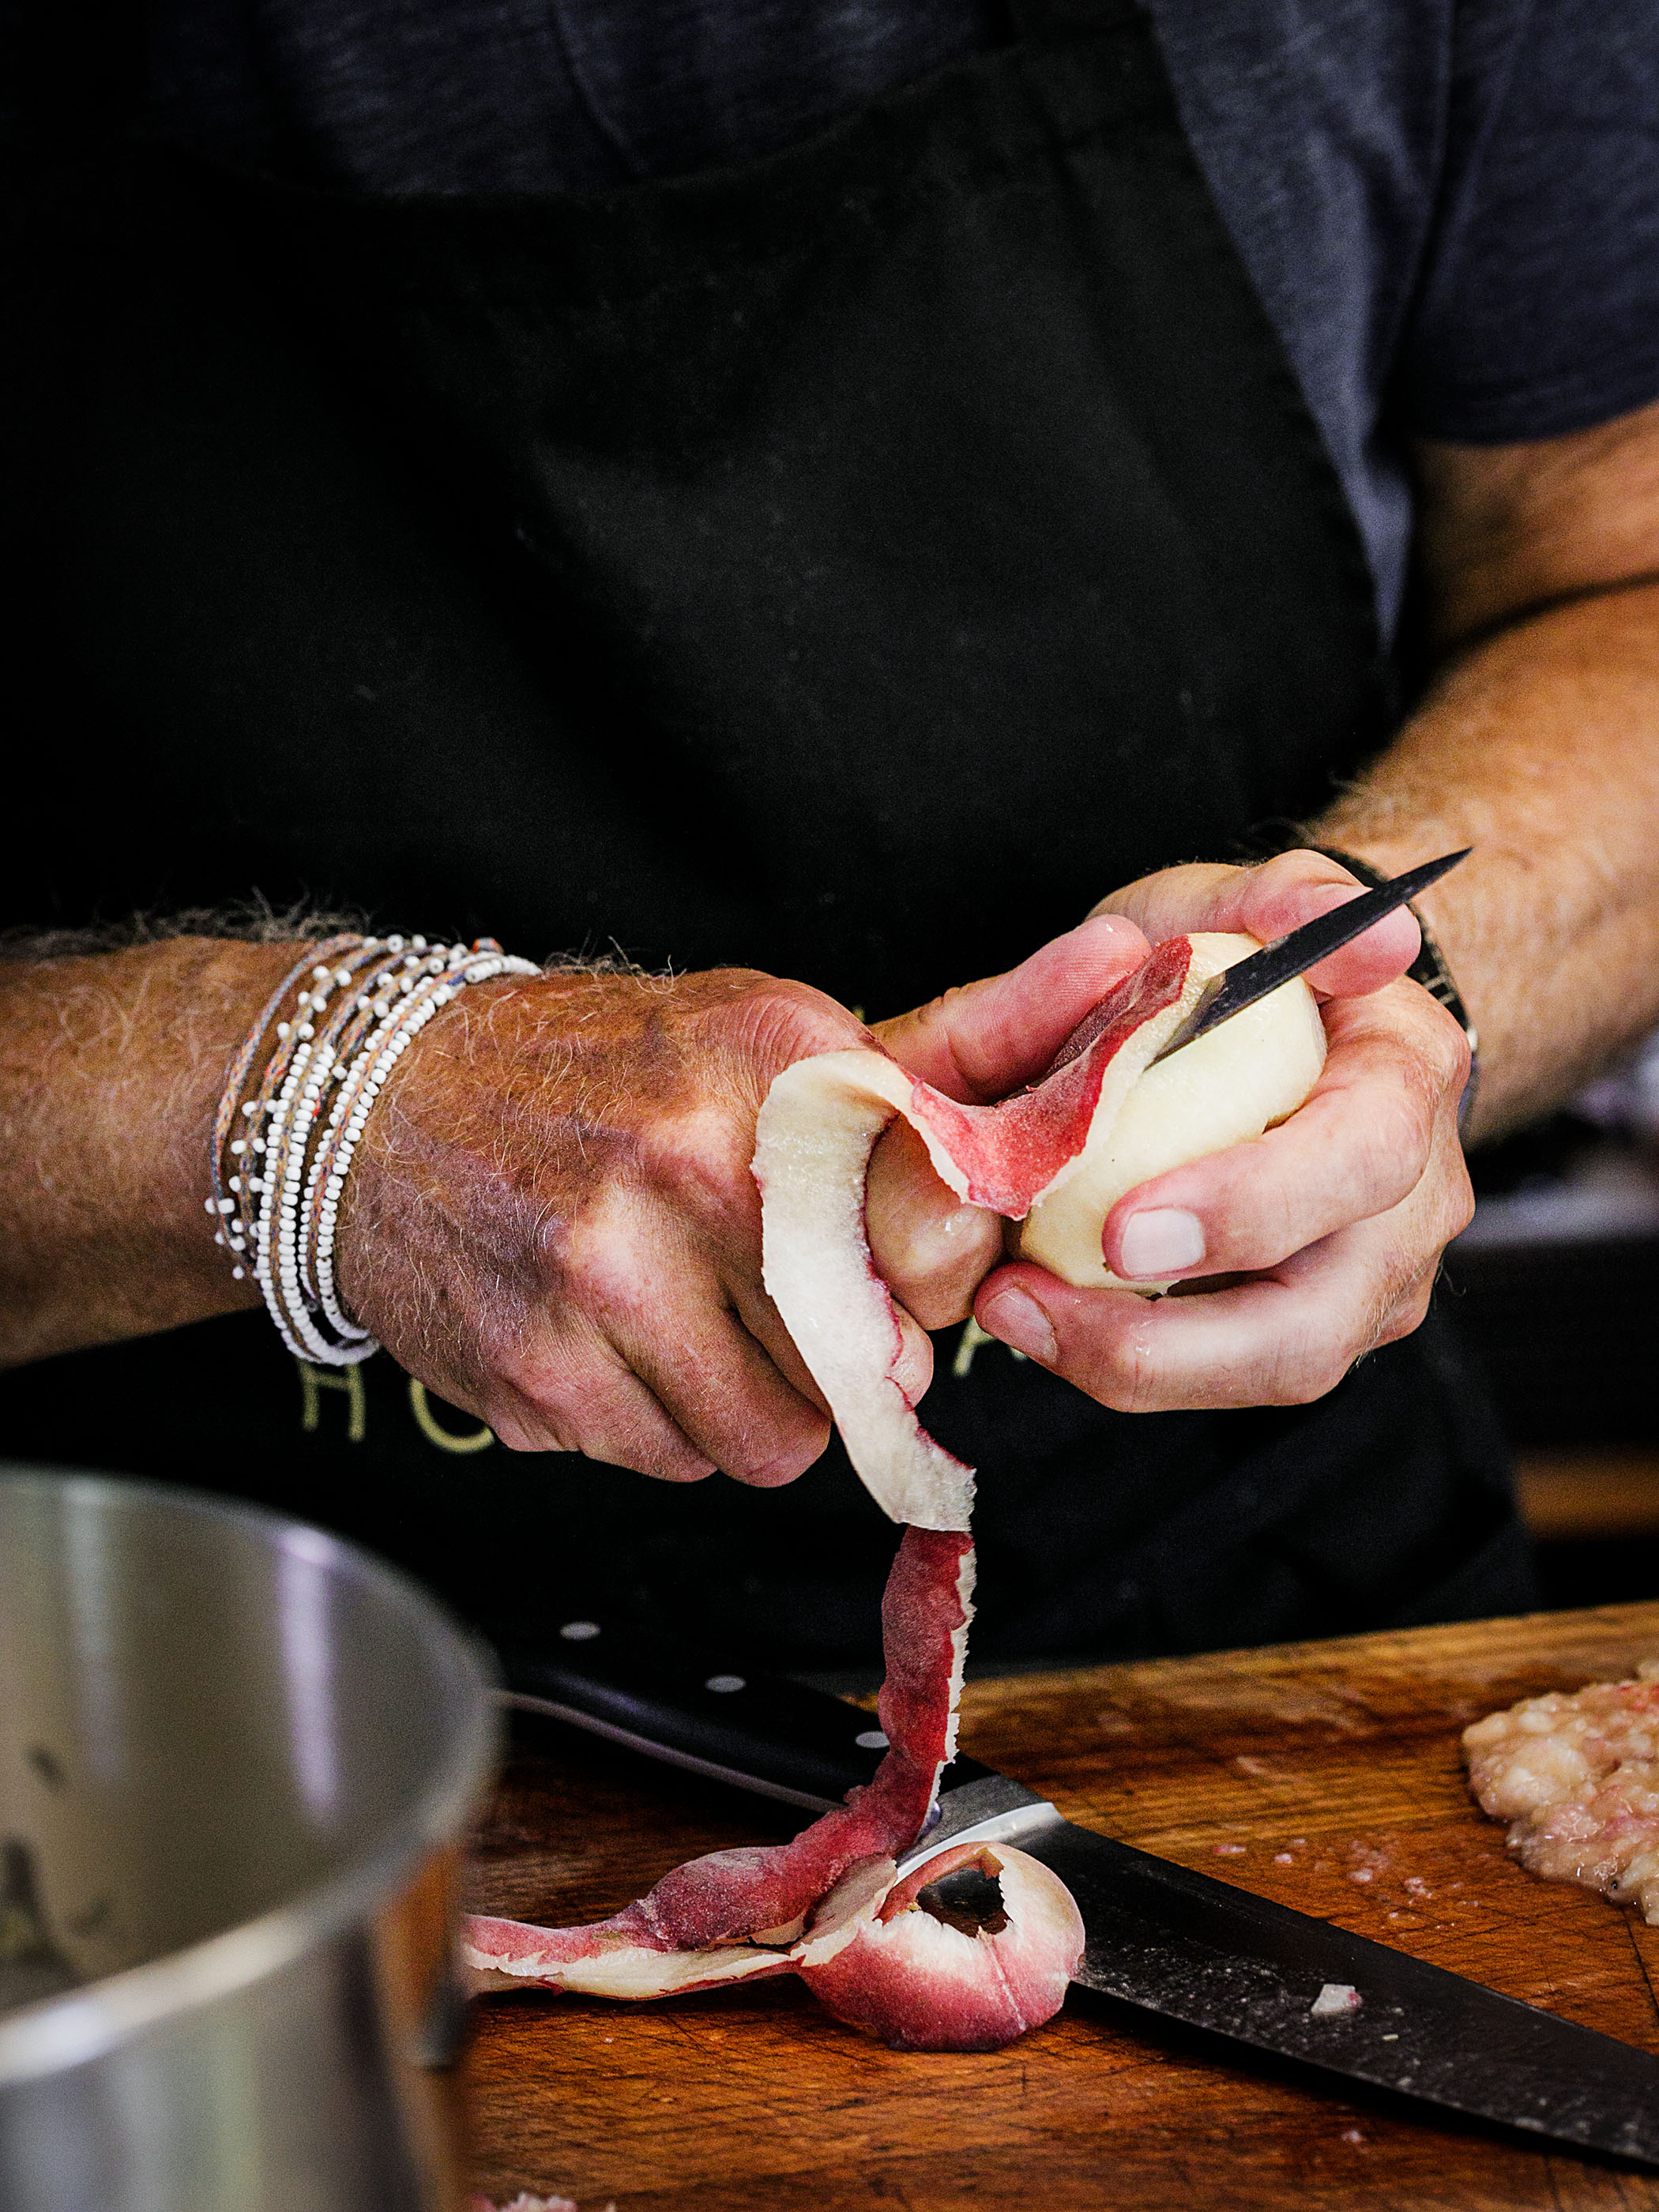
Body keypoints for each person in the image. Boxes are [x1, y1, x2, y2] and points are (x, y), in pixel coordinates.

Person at [2, 0, 1658, 1674]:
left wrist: (1380, 1009)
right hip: (190, 1700)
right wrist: (280, 1104)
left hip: (1249, 1621)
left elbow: (1625, 588)